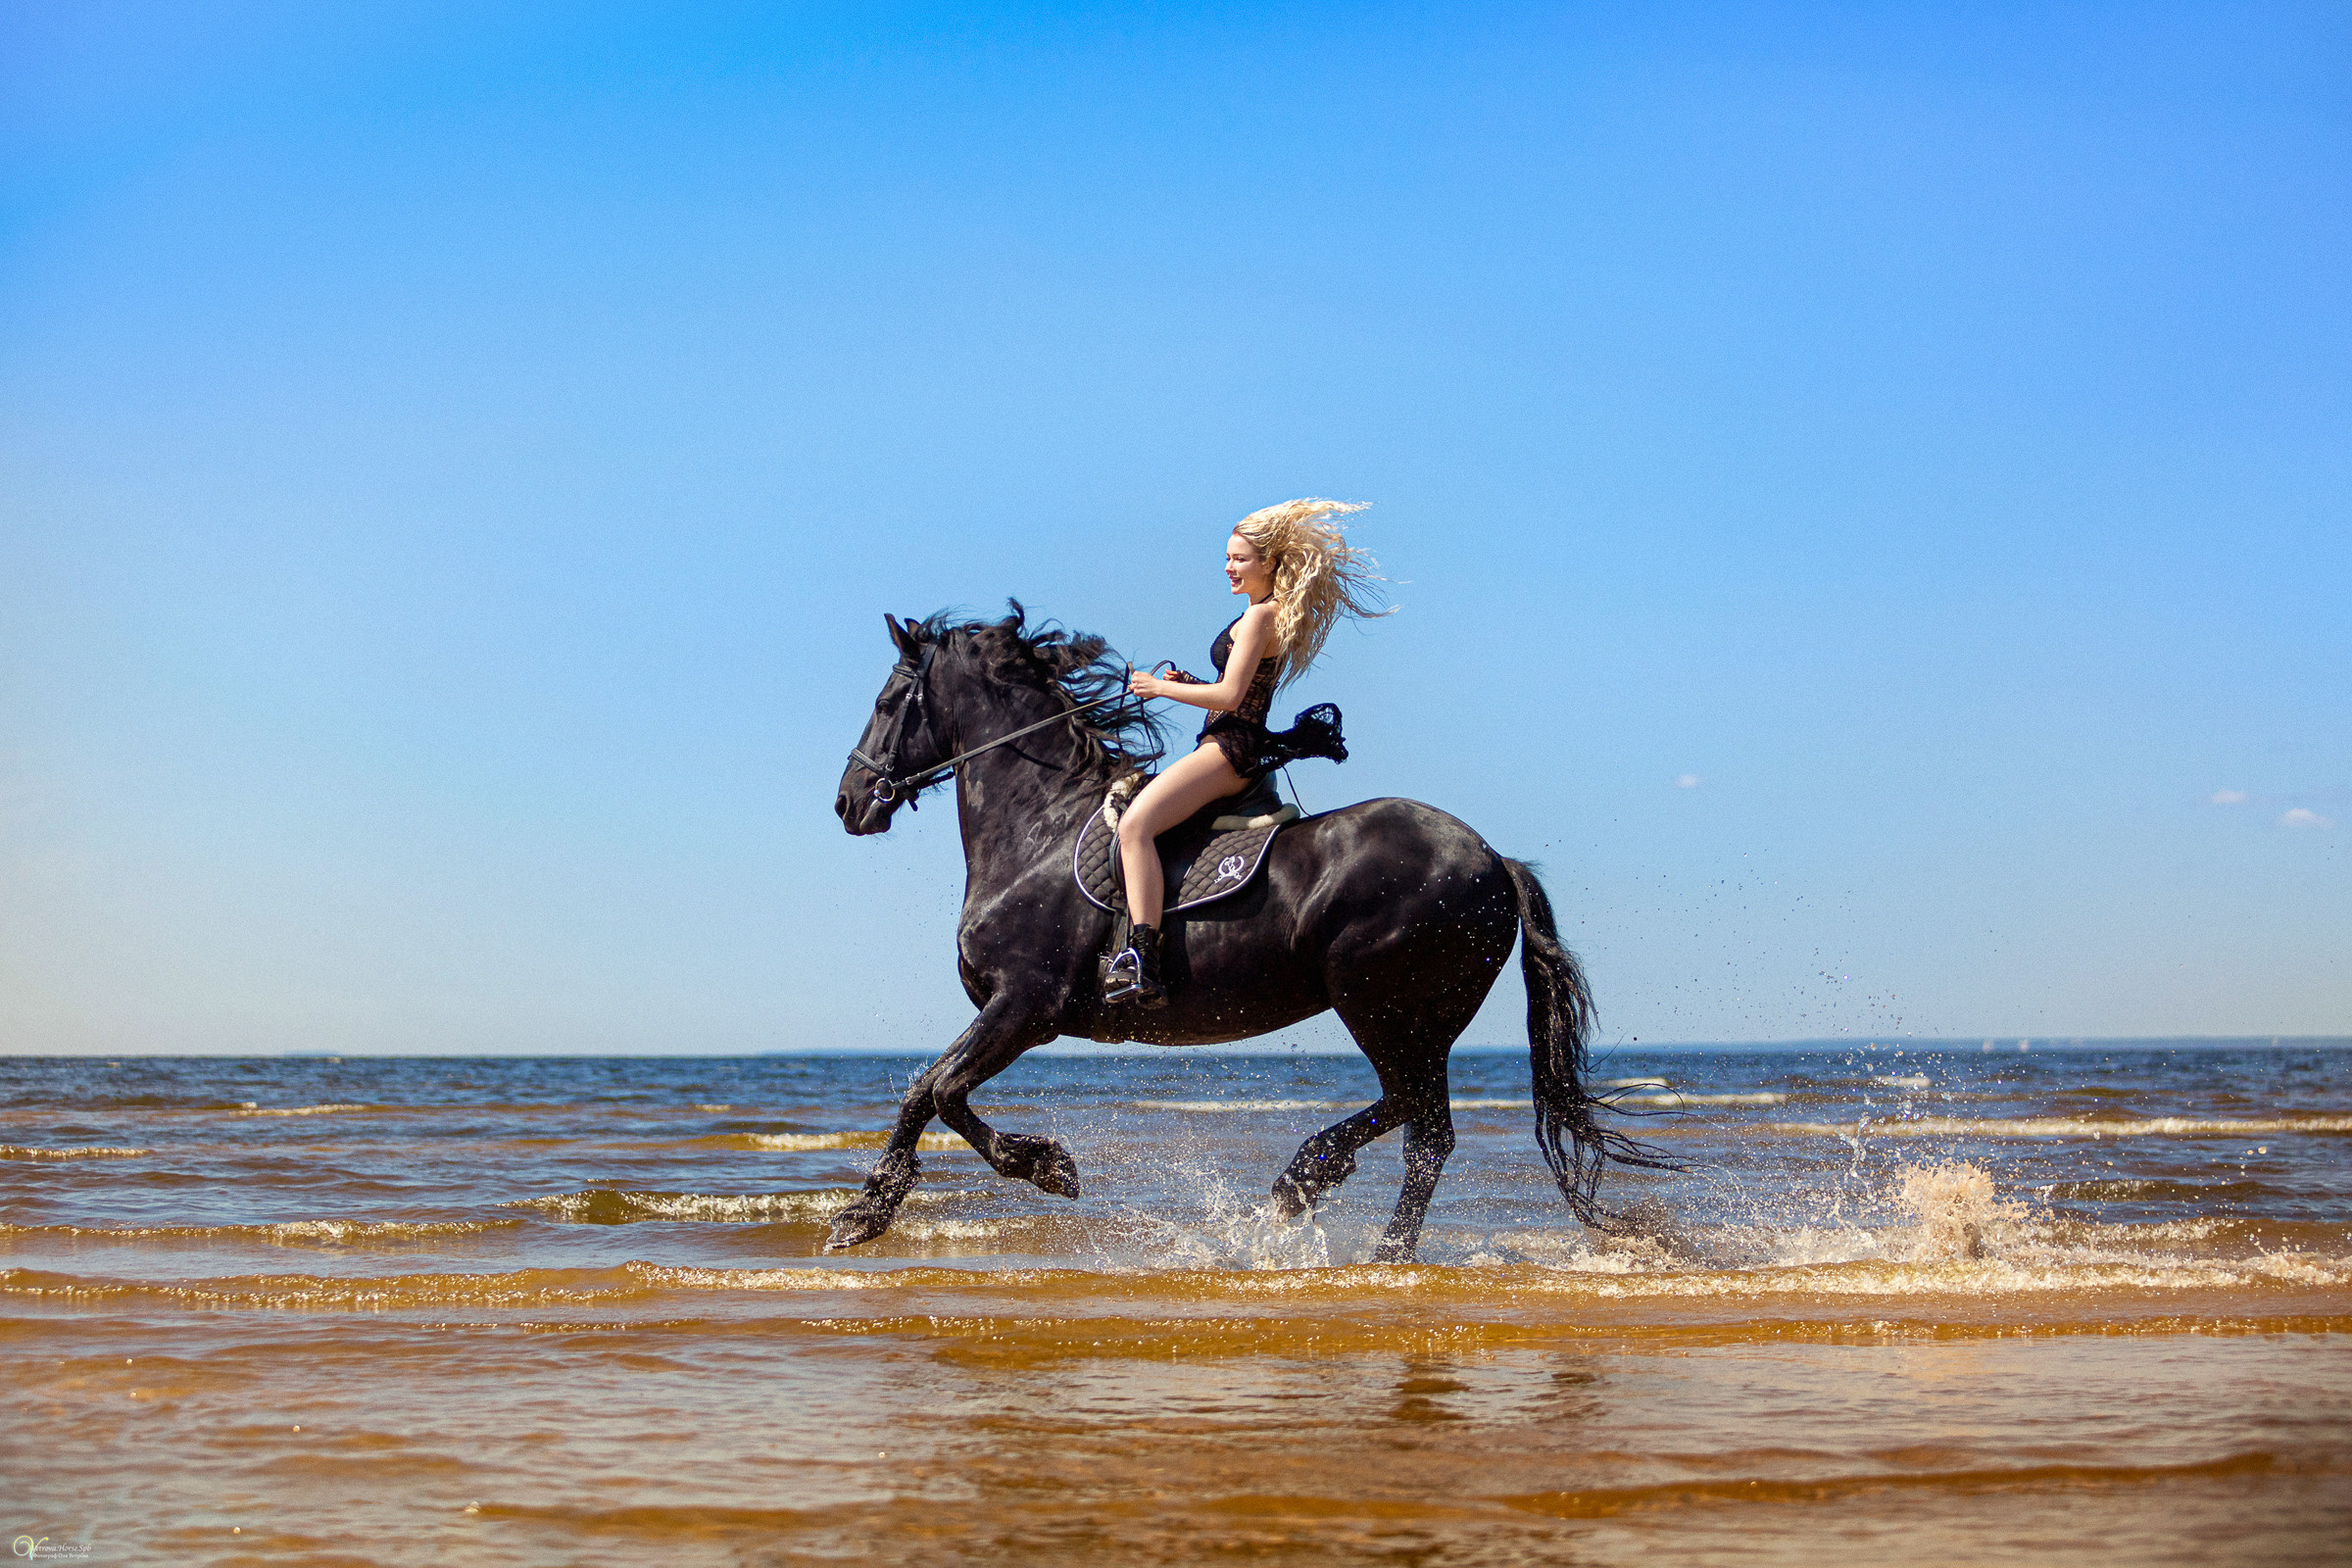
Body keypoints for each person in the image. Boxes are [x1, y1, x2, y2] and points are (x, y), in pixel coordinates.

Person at [1106, 498, 1389, 1007]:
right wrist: (1191, 682)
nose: (1229, 567)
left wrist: (1159, 687)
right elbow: (1235, 689)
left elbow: (1232, 697)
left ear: (1270, 562)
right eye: (1227, 558)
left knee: (1135, 827)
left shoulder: (1261, 616)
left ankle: (1141, 958)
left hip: (1229, 748)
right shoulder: (1259, 614)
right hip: (1228, 740)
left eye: (1239, 558)